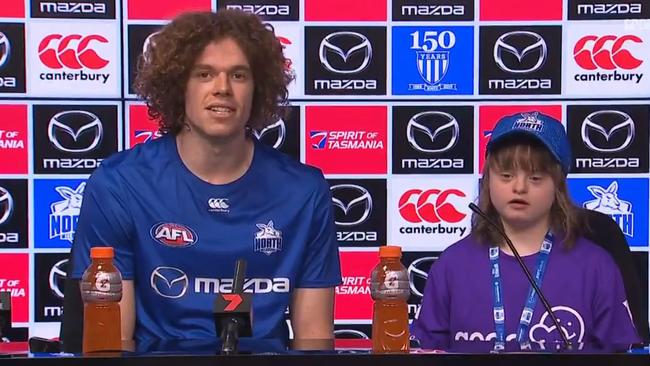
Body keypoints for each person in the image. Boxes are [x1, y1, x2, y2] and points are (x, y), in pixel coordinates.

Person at [61, 9, 341, 351]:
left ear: (259, 88)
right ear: (179, 87)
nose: (222, 89)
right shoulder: (119, 184)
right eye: (204, 74)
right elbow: (113, 345)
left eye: (238, 75)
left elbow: (314, 342)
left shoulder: (304, 191)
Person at [411, 111, 641, 351]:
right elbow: (427, 352)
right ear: (488, 180)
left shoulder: (596, 266)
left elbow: (621, 355)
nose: (519, 187)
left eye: (535, 177)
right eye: (506, 175)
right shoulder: (452, 264)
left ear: (558, 186)